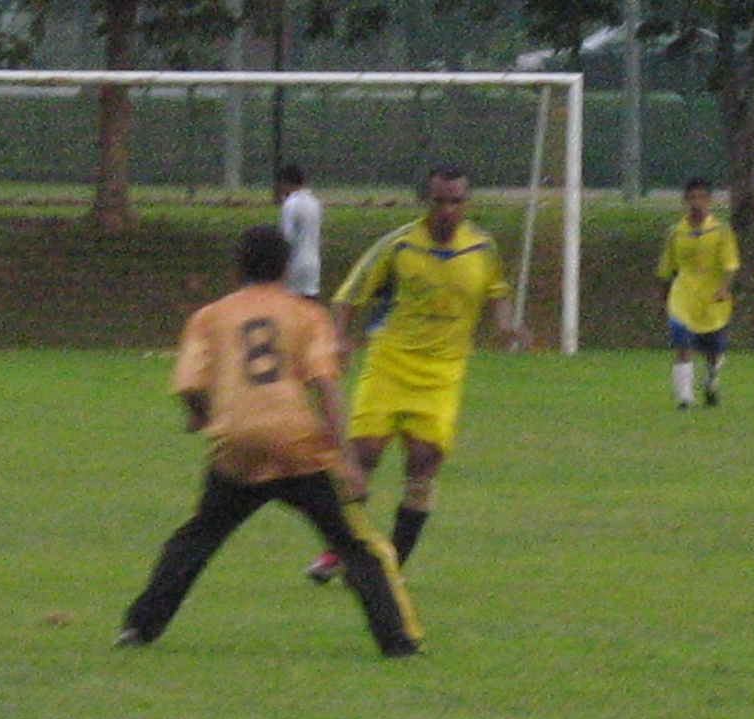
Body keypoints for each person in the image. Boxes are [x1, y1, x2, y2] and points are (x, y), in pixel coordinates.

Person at [116, 225, 423, 658]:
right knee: (353, 545)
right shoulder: (304, 314)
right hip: (299, 445)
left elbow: (187, 384)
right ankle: (397, 643)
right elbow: (326, 388)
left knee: (197, 537)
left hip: (237, 448)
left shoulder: (210, 316)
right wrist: (348, 460)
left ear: (238, 267)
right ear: (287, 268)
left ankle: (139, 628)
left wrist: (200, 416)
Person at [305, 166, 525, 584]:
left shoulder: (482, 248)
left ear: (467, 203)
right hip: (391, 363)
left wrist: (506, 326)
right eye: (439, 201)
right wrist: (337, 341)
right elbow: (349, 295)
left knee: (423, 464)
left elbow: (497, 293)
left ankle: (389, 566)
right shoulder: (399, 244)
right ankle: (337, 550)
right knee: (363, 454)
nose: (447, 209)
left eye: (456, 201)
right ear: (426, 202)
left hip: (443, 372)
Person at [656, 178, 741, 409]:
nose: (696, 203)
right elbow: (666, 270)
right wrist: (664, 299)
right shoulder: (676, 233)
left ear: (709, 200)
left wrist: (724, 288)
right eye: (691, 198)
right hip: (683, 296)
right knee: (683, 346)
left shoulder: (720, 231)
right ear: (685, 201)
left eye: (701, 198)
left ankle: (711, 382)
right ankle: (684, 398)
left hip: (712, 297)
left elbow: (730, 265)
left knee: (714, 350)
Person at [276, 163, 323, 299]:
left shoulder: (291, 204)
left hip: (294, 264)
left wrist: (281, 266)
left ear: (286, 183)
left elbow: (287, 238)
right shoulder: (314, 202)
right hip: (313, 264)